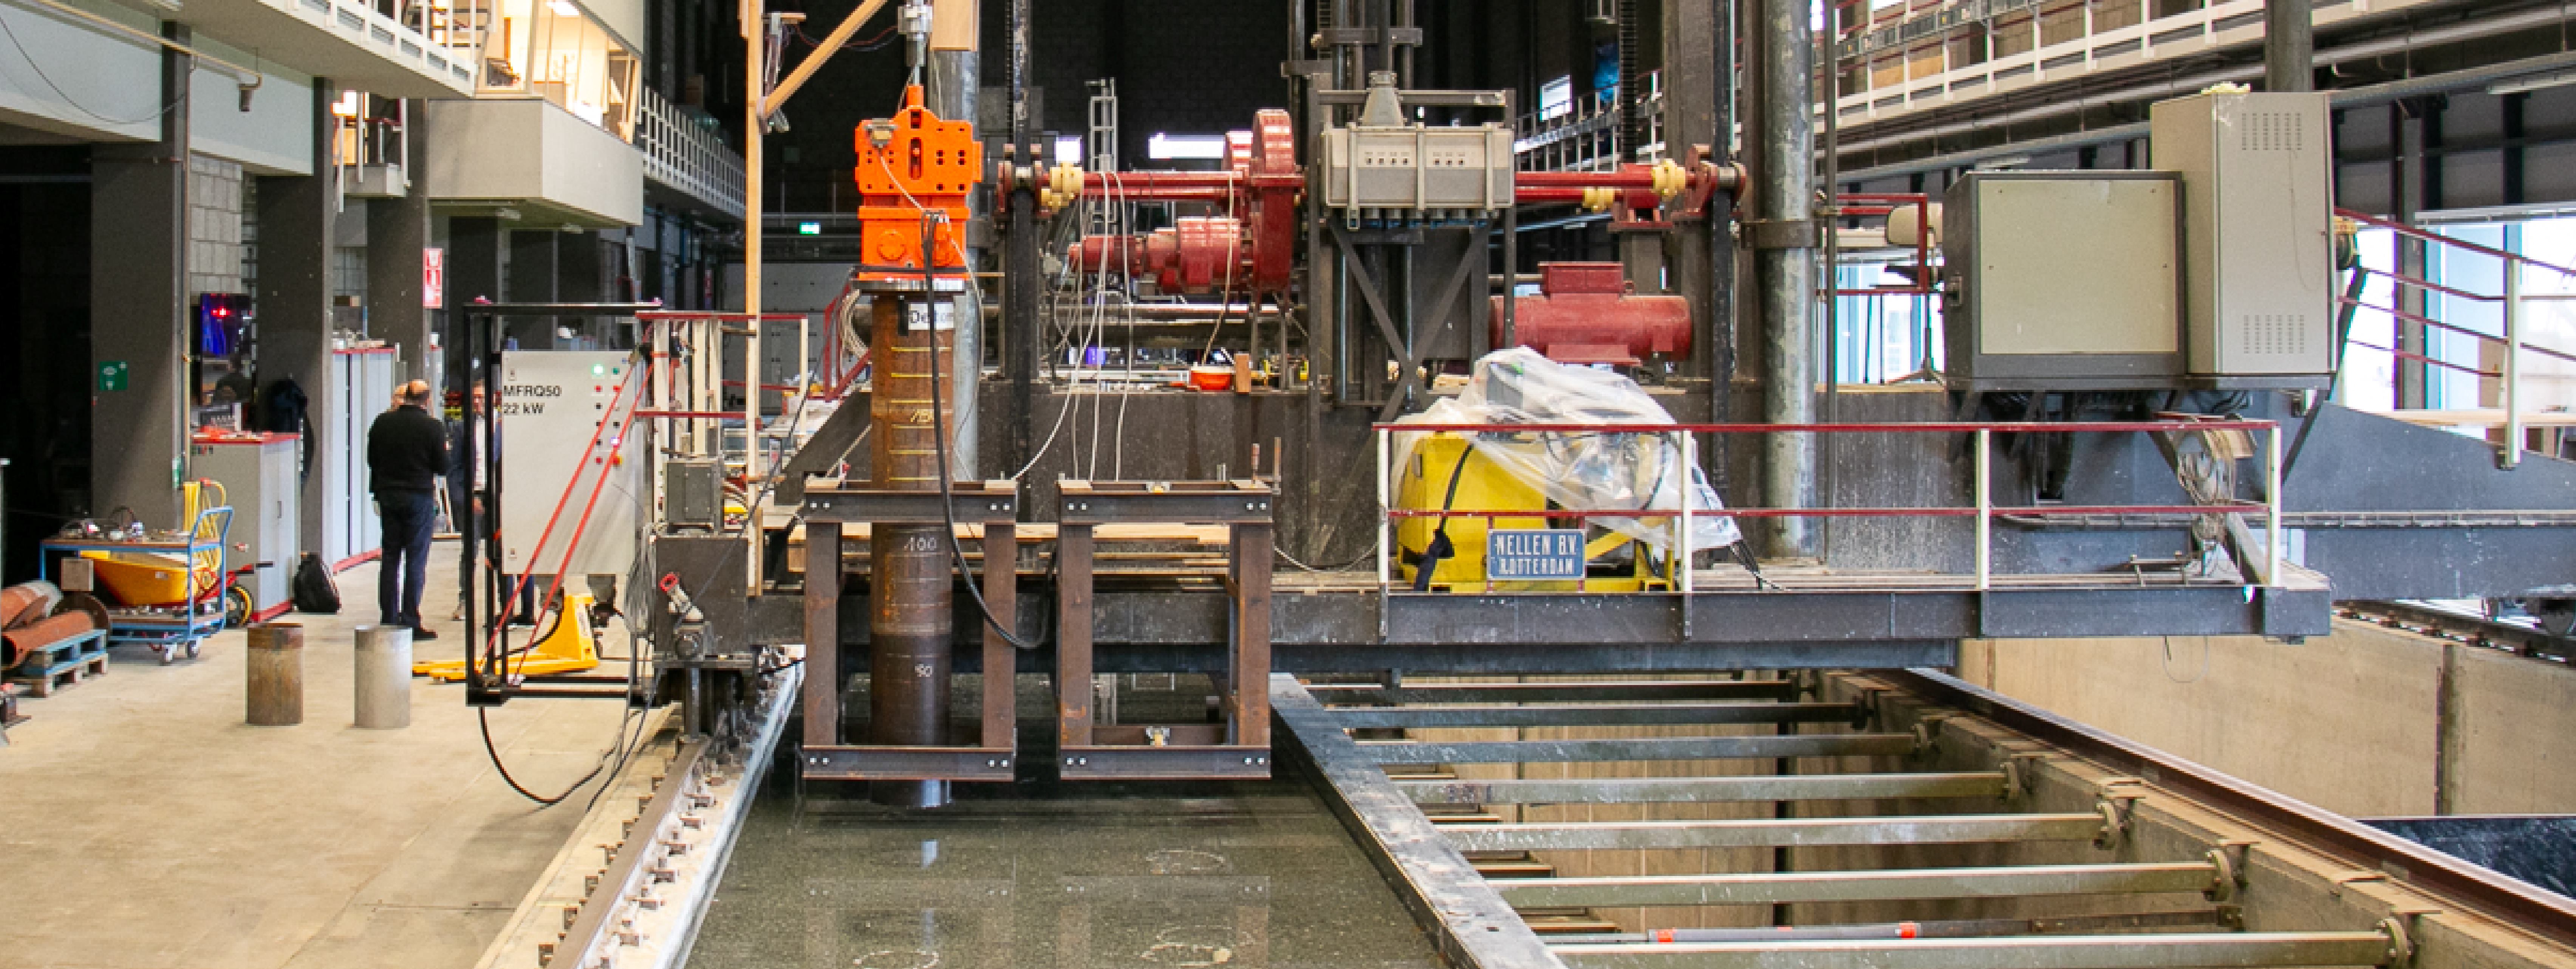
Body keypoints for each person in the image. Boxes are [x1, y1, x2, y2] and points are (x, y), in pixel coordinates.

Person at [368, 379, 448, 639]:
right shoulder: (432, 427)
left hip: (389, 495)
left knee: (391, 557)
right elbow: (442, 466)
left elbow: (372, 459)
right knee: (416, 559)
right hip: (418, 497)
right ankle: (411, 620)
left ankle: (389, 618)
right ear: (426, 400)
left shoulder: (382, 423)